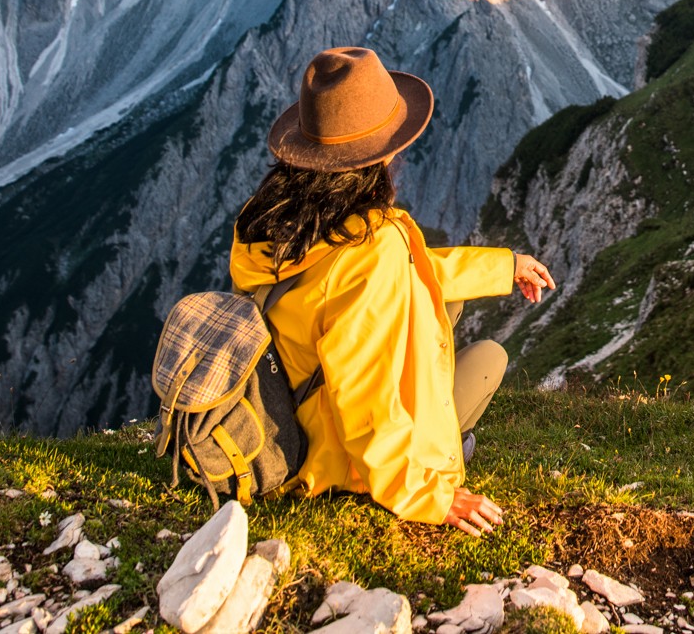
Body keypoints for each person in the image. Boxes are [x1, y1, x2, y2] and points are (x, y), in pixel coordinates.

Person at [228, 46, 555, 535]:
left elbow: (401, 273)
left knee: (451, 300)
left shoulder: (271, 217)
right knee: (489, 358)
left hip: (283, 408)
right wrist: (423, 492)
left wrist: (503, 267)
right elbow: (364, 392)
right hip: (323, 457)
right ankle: (442, 448)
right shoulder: (370, 246)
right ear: (380, 153)